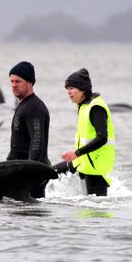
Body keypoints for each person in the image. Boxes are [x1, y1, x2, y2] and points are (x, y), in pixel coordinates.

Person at [53, 68, 115, 196]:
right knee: (49, 173)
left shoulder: (96, 107)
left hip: (96, 167)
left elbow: (102, 138)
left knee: (95, 210)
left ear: (83, 89)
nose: (68, 93)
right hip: (83, 161)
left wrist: (77, 153)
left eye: (71, 88)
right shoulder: (83, 105)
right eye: (67, 89)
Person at [7, 61, 51, 198]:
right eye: (12, 81)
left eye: (18, 81)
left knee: (31, 215)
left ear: (30, 82)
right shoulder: (25, 105)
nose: (14, 85)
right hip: (23, 170)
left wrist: (29, 173)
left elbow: (37, 141)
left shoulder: (34, 108)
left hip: (32, 173)